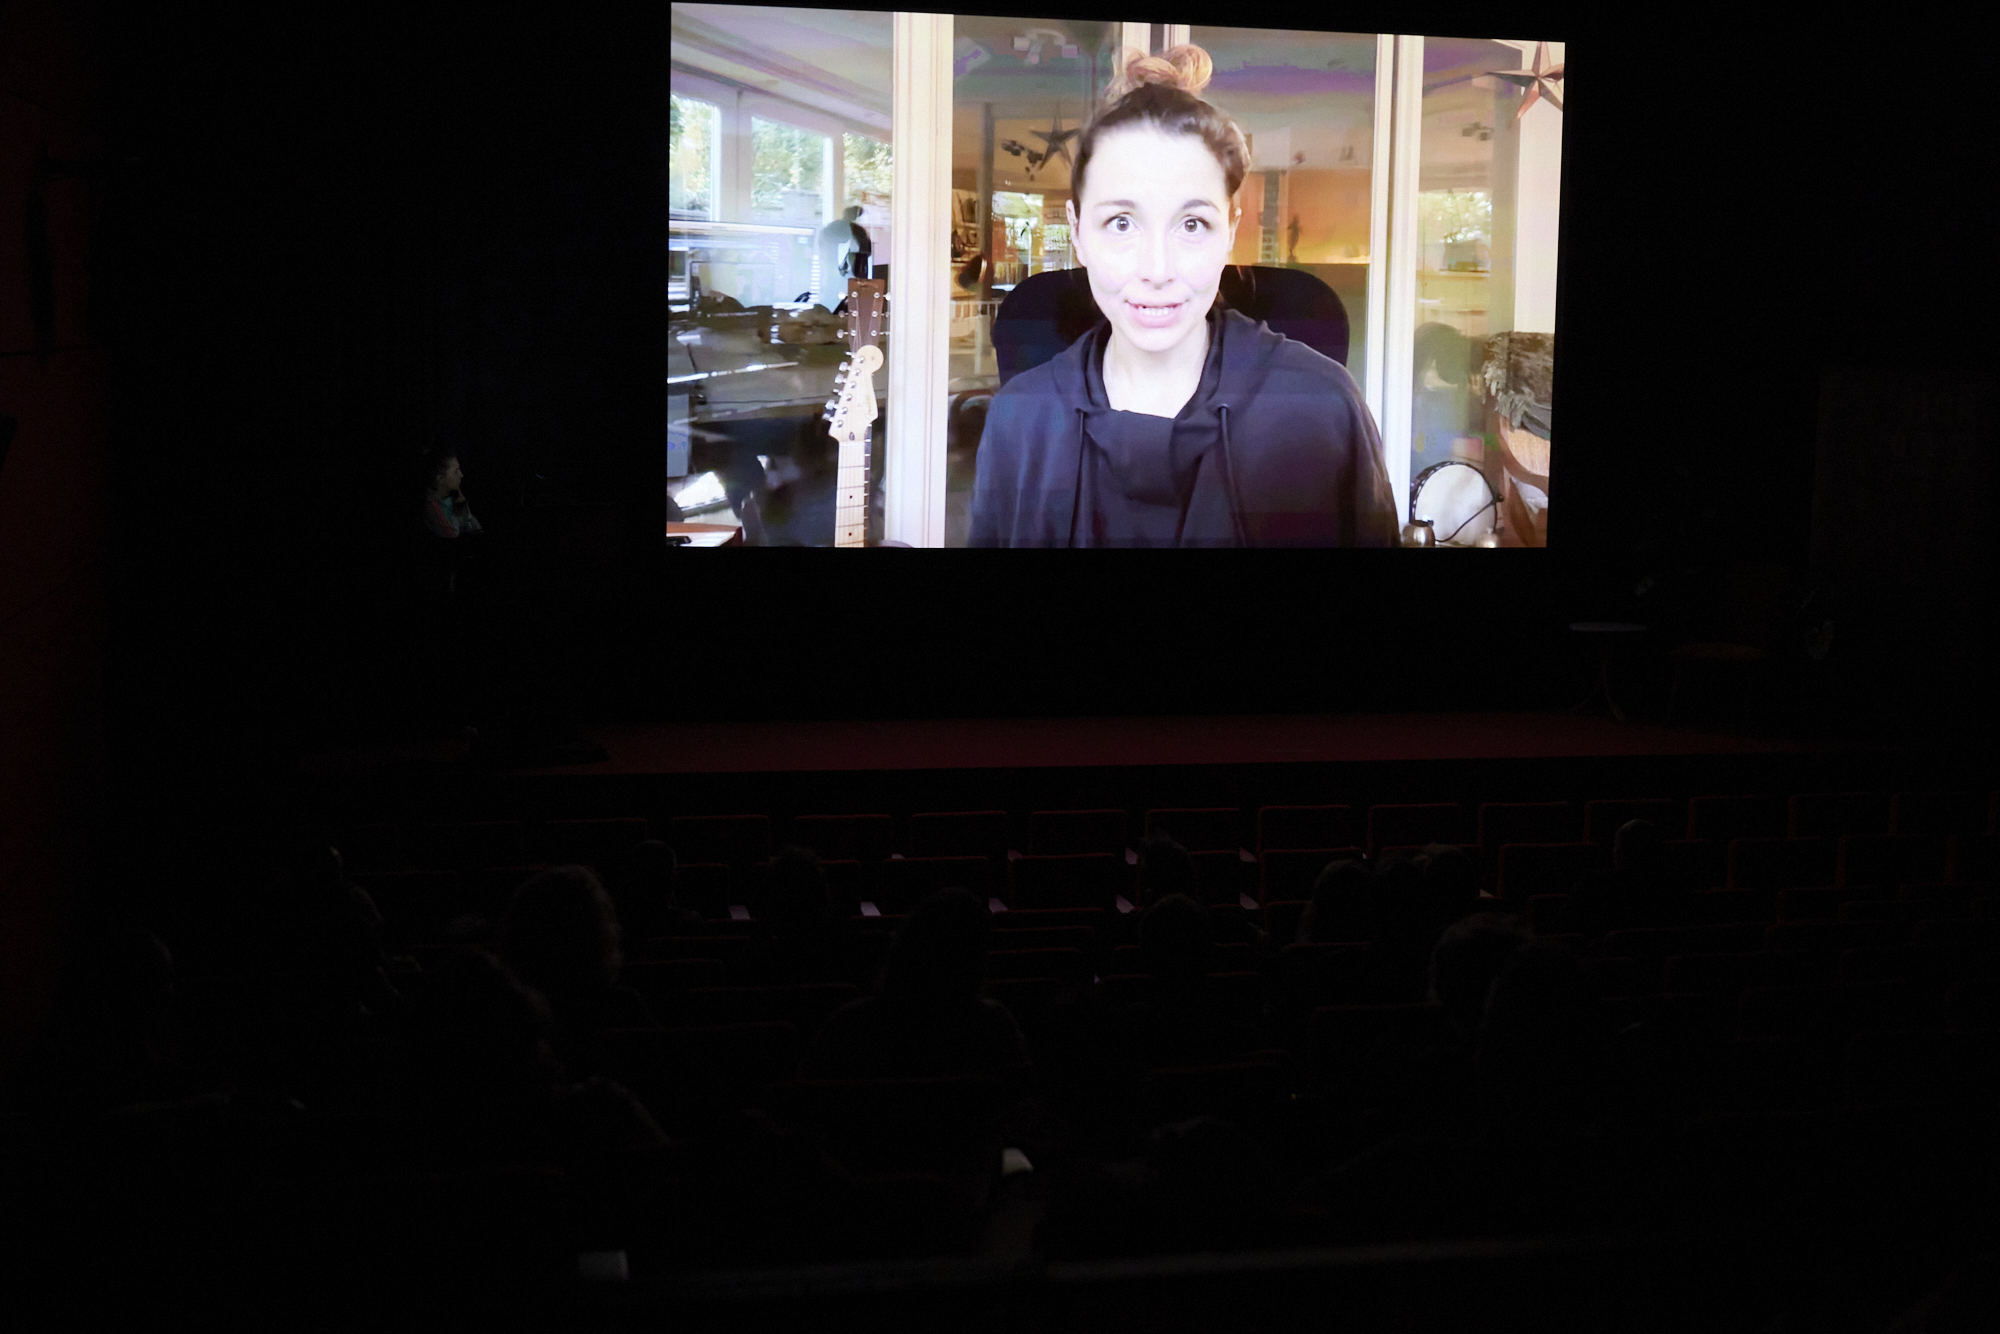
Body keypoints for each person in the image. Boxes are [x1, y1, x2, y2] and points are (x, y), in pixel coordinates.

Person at [968, 44, 1398, 548]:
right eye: (1121, 222)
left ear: (1229, 230)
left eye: (1192, 224)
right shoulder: (1019, 420)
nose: (1157, 271)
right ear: (1078, 231)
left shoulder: (1323, 410)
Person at [423, 451, 483, 540]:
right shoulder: (431, 506)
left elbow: (476, 530)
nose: (461, 475)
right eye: (455, 471)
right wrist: (458, 516)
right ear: (440, 478)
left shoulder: (452, 499)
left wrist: (465, 515)